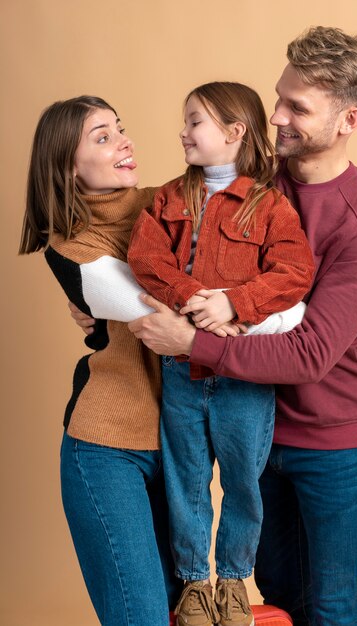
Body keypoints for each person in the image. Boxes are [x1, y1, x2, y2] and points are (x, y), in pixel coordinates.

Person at [126, 28, 357, 626]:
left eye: (297, 107)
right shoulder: (250, 178)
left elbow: (309, 354)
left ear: (349, 118)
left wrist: (190, 343)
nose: (274, 116)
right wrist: (94, 289)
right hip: (256, 429)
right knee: (276, 598)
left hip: (334, 443)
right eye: (278, 97)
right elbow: (156, 221)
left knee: (333, 608)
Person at [127, 81, 315, 626]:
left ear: (235, 133)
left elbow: (295, 274)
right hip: (182, 371)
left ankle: (232, 582)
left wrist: (235, 304)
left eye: (195, 122)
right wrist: (191, 298)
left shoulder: (270, 205)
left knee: (242, 481)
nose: (183, 132)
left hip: (245, 380)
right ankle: (192, 584)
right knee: (185, 480)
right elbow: (145, 258)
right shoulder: (168, 198)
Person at [18, 95, 183, 626]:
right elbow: (168, 313)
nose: (125, 141)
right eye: (103, 136)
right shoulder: (70, 249)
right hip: (107, 449)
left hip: (178, 445)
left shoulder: (171, 202)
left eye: (122, 128)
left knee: (190, 613)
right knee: (142, 617)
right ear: (67, 166)